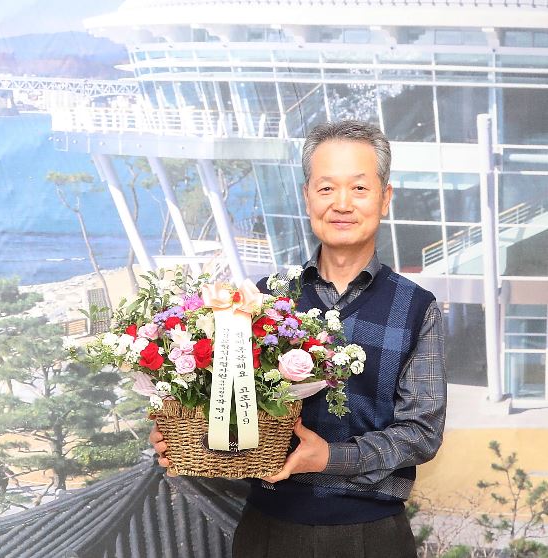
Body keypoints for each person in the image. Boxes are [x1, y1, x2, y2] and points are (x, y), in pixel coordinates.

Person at [149, 120, 446, 558]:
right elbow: (229, 409)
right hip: (267, 530)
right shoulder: (260, 300)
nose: (341, 204)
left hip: (373, 536)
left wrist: (330, 458)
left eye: (359, 188)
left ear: (385, 198)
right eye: (326, 188)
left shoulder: (418, 307)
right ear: (307, 197)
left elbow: (421, 433)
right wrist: (183, 435)